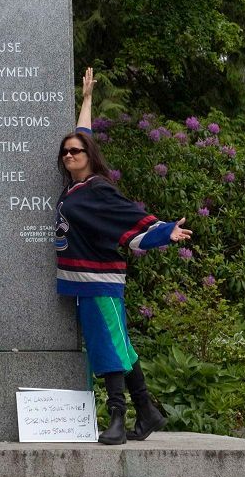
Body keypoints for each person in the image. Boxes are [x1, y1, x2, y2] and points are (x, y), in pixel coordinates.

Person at [55, 68, 192, 445]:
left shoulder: (97, 190)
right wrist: (85, 101)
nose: (70, 155)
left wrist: (165, 231)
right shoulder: (76, 188)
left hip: (100, 281)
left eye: (76, 151)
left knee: (108, 348)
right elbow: (84, 133)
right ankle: (148, 413)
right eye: (65, 152)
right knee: (122, 348)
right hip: (84, 283)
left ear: (89, 156)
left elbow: (129, 217)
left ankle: (117, 417)